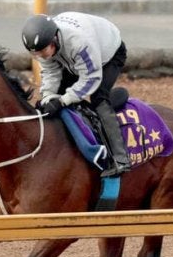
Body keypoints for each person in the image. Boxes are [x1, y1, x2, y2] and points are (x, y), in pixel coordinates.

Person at [21, 12, 131, 177]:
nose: (41, 56)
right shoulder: (44, 47)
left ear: (55, 39)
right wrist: (48, 97)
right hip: (73, 60)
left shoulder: (79, 42)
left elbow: (90, 78)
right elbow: (51, 73)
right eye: (36, 54)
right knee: (55, 98)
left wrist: (63, 101)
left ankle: (120, 159)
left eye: (43, 51)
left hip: (107, 56)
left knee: (99, 99)